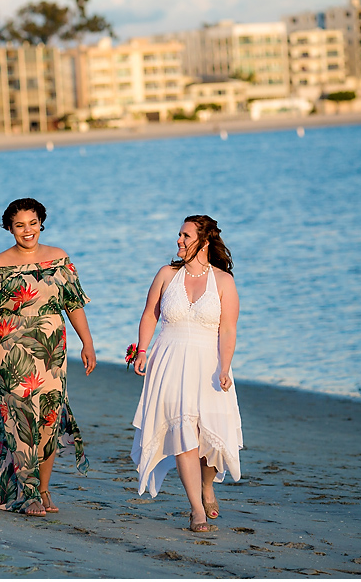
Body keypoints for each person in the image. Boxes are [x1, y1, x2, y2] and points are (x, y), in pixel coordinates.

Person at [0, 198, 96, 516]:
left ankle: (44, 490)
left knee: (49, 419)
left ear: (41, 222)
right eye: (19, 225)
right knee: (21, 422)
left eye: (32, 223)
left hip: (52, 353)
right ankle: (29, 494)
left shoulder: (59, 259)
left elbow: (73, 305)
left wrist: (87, 343)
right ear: (10, 228)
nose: (27, 230)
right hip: (11, 353)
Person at [130, 215, 243, 533]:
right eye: (178, 235)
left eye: (185, 236)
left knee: (209, 435)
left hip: (209, 364)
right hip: (169, 362)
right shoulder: (167, 274)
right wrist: (142, 349)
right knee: (182, 432)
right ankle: (196, 509)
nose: (179, 240)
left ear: (204, 241)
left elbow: (228, 329)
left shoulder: (223, 281)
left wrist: (224, 366)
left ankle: (208, 486)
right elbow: (150, 314)